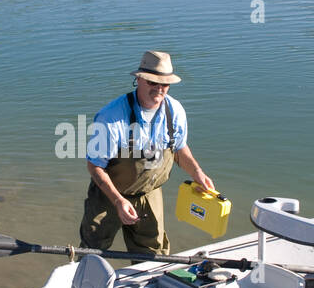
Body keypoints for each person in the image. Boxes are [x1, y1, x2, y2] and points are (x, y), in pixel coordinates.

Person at [79, 49, 216, 257]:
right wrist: (118, 201)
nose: (159, 89)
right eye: (153, 82)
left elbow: (179, 148)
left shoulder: (175, 111)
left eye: (165, 84)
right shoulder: (111, 116)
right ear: (139, 80)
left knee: (153, 254)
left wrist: (196, 172)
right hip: (109, 196)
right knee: (92, 251)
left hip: (150, 193)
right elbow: (95, 166)